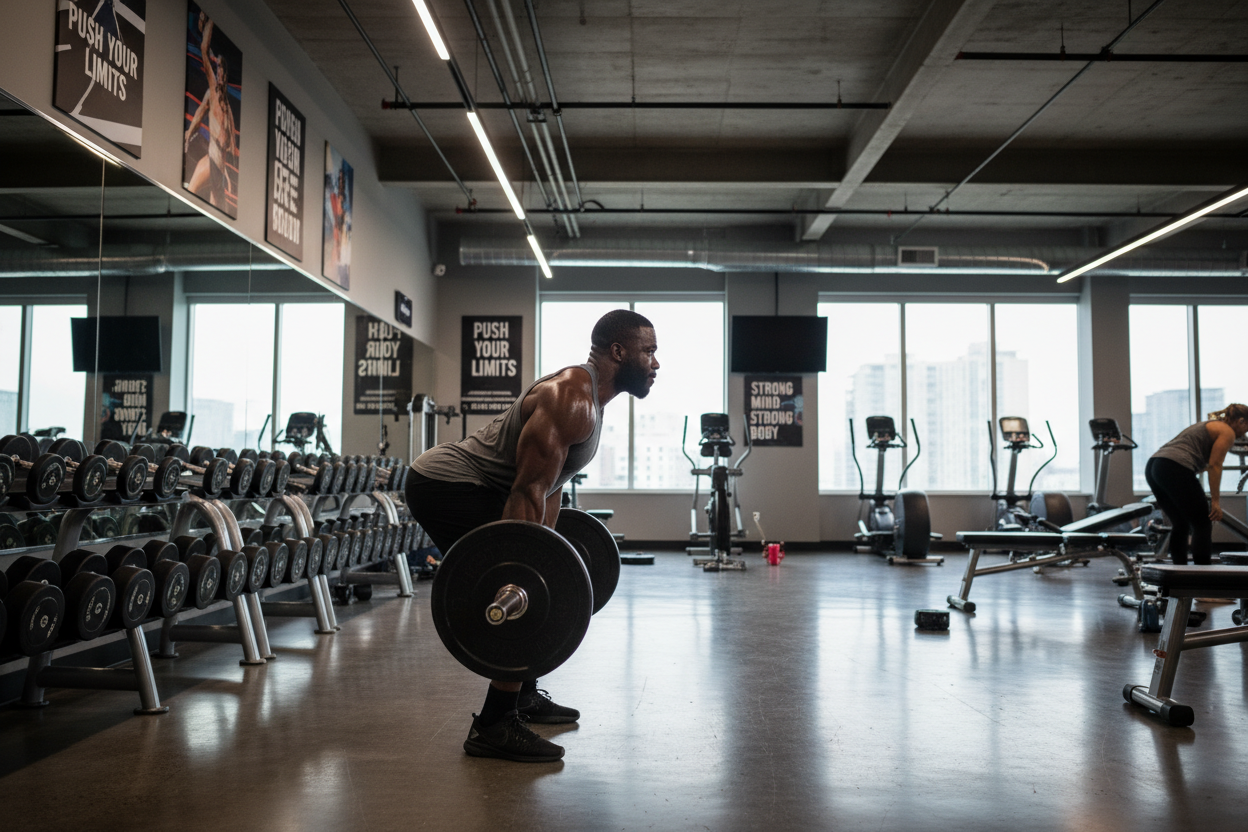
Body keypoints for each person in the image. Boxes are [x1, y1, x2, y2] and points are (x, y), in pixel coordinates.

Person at [405, 310, 658, 763]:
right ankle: (494, 725)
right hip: (445, 486)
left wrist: (550, 555)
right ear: (619, 352)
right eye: (649, 352)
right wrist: (530, 569)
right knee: (523, 586)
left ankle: (520, 695)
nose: (656, 364)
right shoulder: (571, 397)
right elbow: (527, 491)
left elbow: (552, 487)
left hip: (476, 487)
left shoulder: (593, 404)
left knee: (541, 579)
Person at [1145, 403, 1248, 565]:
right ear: (1241, 421)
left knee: (1180, 523)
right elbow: (1215, 465)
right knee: (1202, 523)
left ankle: (1179, 573)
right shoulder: (1227, 432)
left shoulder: (1207, 425)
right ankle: (1202, 575)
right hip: (1172, 466)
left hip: (1154, 466)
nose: (1245, 433)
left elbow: (1201, 463)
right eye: (1247, 428)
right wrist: (1215, 502)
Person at [184, 13, 238, 212]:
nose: (221, 74)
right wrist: (211, 21)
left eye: (223, 70)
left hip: (219, 166)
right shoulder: (214, 92)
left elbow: (230, 146)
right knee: (206, 200)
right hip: (211, 160)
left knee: (218, 205)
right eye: (219, 70)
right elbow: (204, 51)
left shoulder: (226, 107)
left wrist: (227, 177)